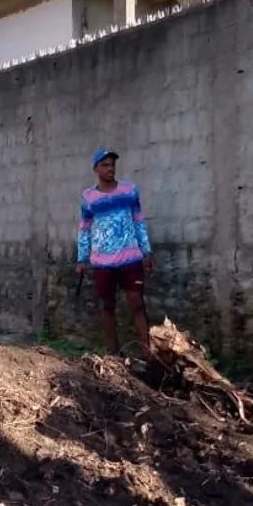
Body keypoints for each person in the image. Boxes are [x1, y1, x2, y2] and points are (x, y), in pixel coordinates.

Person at [77, 148, 155, 357]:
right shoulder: (88, 198)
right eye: (105, 165)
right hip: (102, 263)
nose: (110, 169)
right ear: (96, 169)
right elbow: (84, 228)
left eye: (112, 165)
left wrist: (147, 251)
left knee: (136, 302)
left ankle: (148, 354)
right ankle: (114, 355)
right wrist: (82, 258)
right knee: (107, 306)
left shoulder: (129, 191)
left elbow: (138, 221)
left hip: (131, 259)